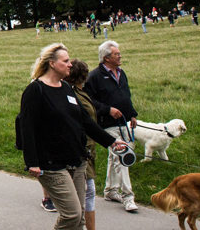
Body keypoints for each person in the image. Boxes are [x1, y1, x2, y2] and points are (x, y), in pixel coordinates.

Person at [19, 43, 127, 230]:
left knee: (80, 219)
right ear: (52, 63)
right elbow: (26, 127)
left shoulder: (67, 89)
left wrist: (111, 142)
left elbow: (86, 122)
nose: (70, 64)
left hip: (77, 161)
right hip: (51, 164)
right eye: (66, 61)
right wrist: (32, 161)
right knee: (72, 214)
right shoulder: (36, 90)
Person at [84, 40, 139, 212]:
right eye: (116, 54)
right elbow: (88, 101)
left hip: (123, 122)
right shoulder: (94, 77)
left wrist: (132, 114)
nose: (120, 56)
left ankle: (110, 190)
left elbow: (125, 95)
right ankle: (128, 196)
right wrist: (107, 110)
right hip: (106, 125)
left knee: (114, 157)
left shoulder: (122, 73)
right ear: (106, 58)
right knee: (123, 155)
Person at [68, 59, 99, 230]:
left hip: (88, 148)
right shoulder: (73, 95)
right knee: (87, 192)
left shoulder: (80, 93)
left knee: (87, 192)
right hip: (82, 150)